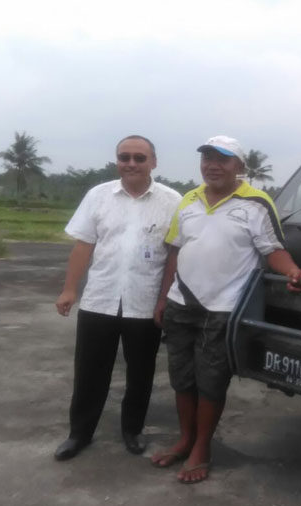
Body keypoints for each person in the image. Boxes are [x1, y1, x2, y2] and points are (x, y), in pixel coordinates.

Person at [150, 135, 301, 483]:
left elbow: (272, 250)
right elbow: (175, 251)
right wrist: (163, 299)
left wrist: (292, 270)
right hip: (181, 304)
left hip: (222, 309)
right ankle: (185, 439)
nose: (213, 165)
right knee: (182, 379)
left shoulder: (256, 203)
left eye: (223, 159)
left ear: (240, 167)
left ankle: (201, 448)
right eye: (207, 158)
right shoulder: (189, 200)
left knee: (210, 382)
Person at [53, 135, 181, 461]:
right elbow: (83, 245)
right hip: (100, 299)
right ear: (117, 161)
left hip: (145, 301)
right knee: (89, 372)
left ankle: (132, 430)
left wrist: (165, 299)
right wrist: (70, 288)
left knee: (141, 372)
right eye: (125, 157)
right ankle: (79, 434)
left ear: (153, 162)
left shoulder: (172, 201)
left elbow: (174, 256)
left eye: (140, 158)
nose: (132, 164)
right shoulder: (98, 196)